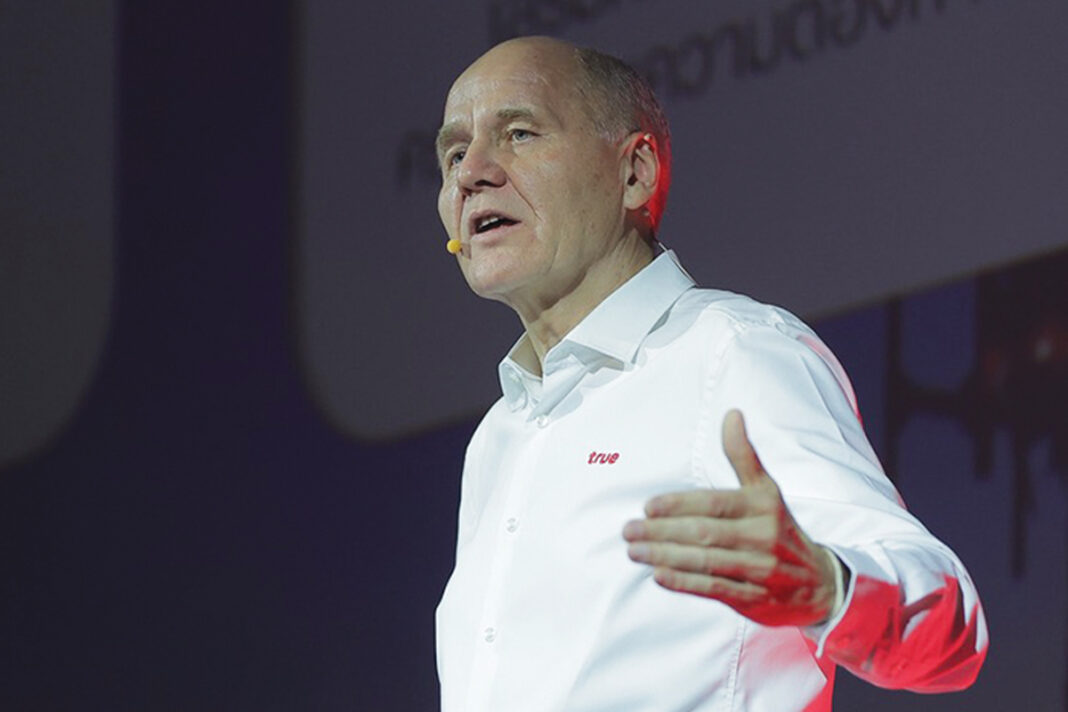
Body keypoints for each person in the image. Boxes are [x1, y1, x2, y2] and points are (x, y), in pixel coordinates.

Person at [433, 35, 987, 712]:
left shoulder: (734, 354)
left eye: (519, 133)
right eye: (453, 154)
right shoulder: (501, 435)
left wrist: (829, 588)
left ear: (634, 172)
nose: (471, 173)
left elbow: (951, 630)